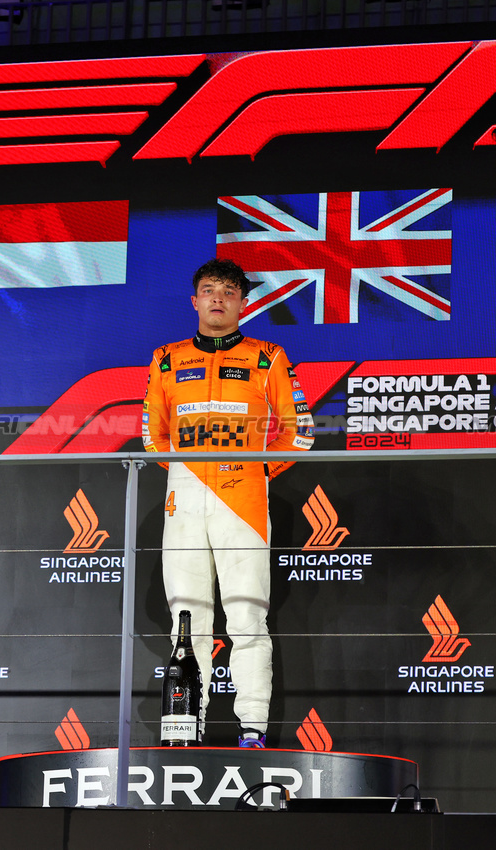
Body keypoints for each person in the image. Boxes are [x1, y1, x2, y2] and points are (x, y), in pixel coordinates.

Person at [142, 258, 314, 747]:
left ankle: (252, 730)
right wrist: (190, 472)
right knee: (186, 616)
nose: (218, 297)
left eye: (229, 290)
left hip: (243, 500)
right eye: (209, 289)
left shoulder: (269, 356)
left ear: (243, 302)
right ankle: (183, 729)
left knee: (246, 616)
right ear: (194, 301)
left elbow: (298, 432)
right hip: (185, 496)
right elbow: (152, 438)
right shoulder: (166, 358)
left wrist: (255, 470)